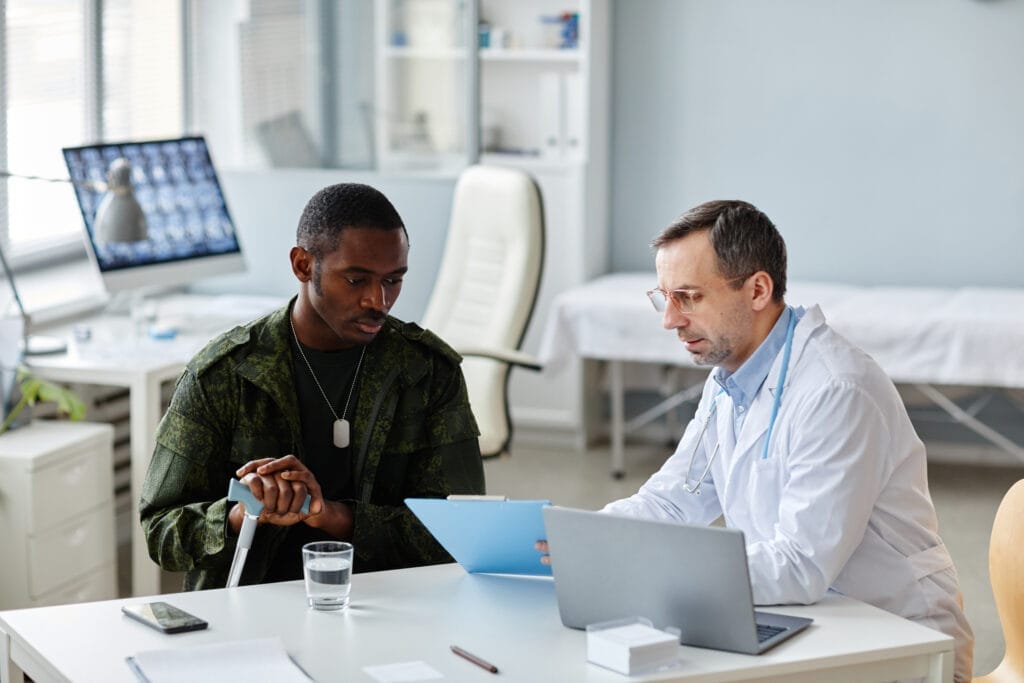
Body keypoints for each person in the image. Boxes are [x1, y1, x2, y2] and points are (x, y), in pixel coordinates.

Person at [539, 200, 973, 681]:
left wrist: (646, 567)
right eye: (664, 298)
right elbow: (673, 501)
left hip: (899, 639)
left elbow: (801, 564)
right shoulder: (730, 378)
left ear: (758, 290)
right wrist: (588, 538)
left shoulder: (837, 389)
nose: (670, 320)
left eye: (688, 297)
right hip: (806, 620)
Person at [141, 182, 485, 590]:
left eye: (393, 280)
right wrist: (241, 512)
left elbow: (463, 533)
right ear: (303, 265)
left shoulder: (427, 372)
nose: (378, 301)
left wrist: (332, 515)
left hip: (391, 602)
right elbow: (161, 532)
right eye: (356, 280)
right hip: (254, 606)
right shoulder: (223, 375)